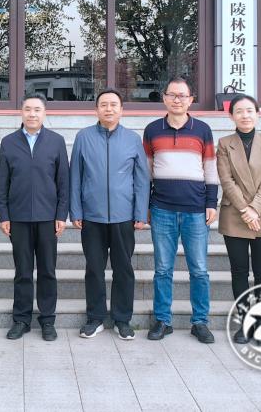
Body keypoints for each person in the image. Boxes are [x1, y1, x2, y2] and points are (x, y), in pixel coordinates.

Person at [69, 89, 150, 340]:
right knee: (94, 268)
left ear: (121, 110)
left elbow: (141, 178)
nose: (109, 109)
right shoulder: (83, 137)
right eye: (103, 104)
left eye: (114, 105)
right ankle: (95, 318)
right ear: (96, 109)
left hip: (123, 216)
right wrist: (76, 210)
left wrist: (140, 212)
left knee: (123, 268)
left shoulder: (132, 139)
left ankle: (122, 319)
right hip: (92, 216)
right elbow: (75, 176)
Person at [143, 77, 219, 343]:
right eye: (172, 95)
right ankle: (163, 320)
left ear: (190, 100)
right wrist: (145, 206)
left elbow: (210, 169)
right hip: (162, 209)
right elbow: (146, 173)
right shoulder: (152, 130)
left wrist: (211, 203)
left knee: (199, 270)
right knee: (163, 269)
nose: (177, 100)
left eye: (182, 96)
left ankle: (200, 322)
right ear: (164, 98)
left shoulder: (203, 130)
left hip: (195, 211)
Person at [0, 94, 69, 342]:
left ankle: (47, 320)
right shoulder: (9, 142)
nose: (32, 114)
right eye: (28, 109)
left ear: (44, 113)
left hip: (48, 218)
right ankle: (21, 320)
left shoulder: (56, 142)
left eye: (37, 109)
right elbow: (2, 183)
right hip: (18, 218)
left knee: (47, 270)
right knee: (23, 271)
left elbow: (63, 182)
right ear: (21, 112)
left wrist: (61, 215)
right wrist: (3, 215)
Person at [215, 94, 261, 344]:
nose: (245, 115)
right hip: (235, 214)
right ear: (231, 115)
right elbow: (226, 180)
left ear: (258, 113)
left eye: (249, 111)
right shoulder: (224, 143)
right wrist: (246, 210)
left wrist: (255, 208)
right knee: (239, 272)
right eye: (239, 111)